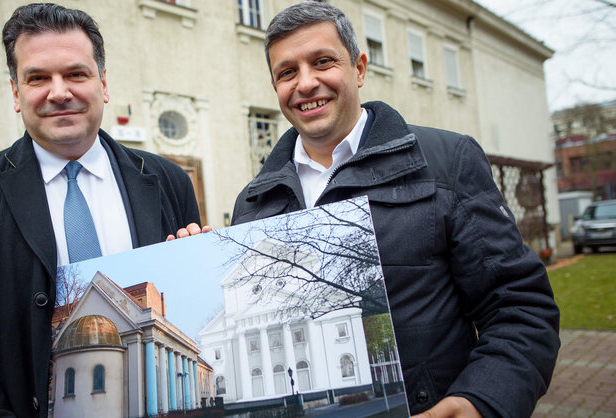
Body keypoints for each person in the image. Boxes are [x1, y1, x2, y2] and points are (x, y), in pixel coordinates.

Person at [232, 2, 560, 417]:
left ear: (360, 68)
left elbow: (519, 306)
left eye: (323, 62)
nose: (306, 83)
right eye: (287, 72)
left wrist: (477, 402)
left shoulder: (445, 161)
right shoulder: (252, 202)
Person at [0, 4, 205, 416]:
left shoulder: (169, 181)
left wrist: (194, 256)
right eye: (38, 78)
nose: (58, 92)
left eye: (76, 74)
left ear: (103, 84)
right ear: (16, 93)